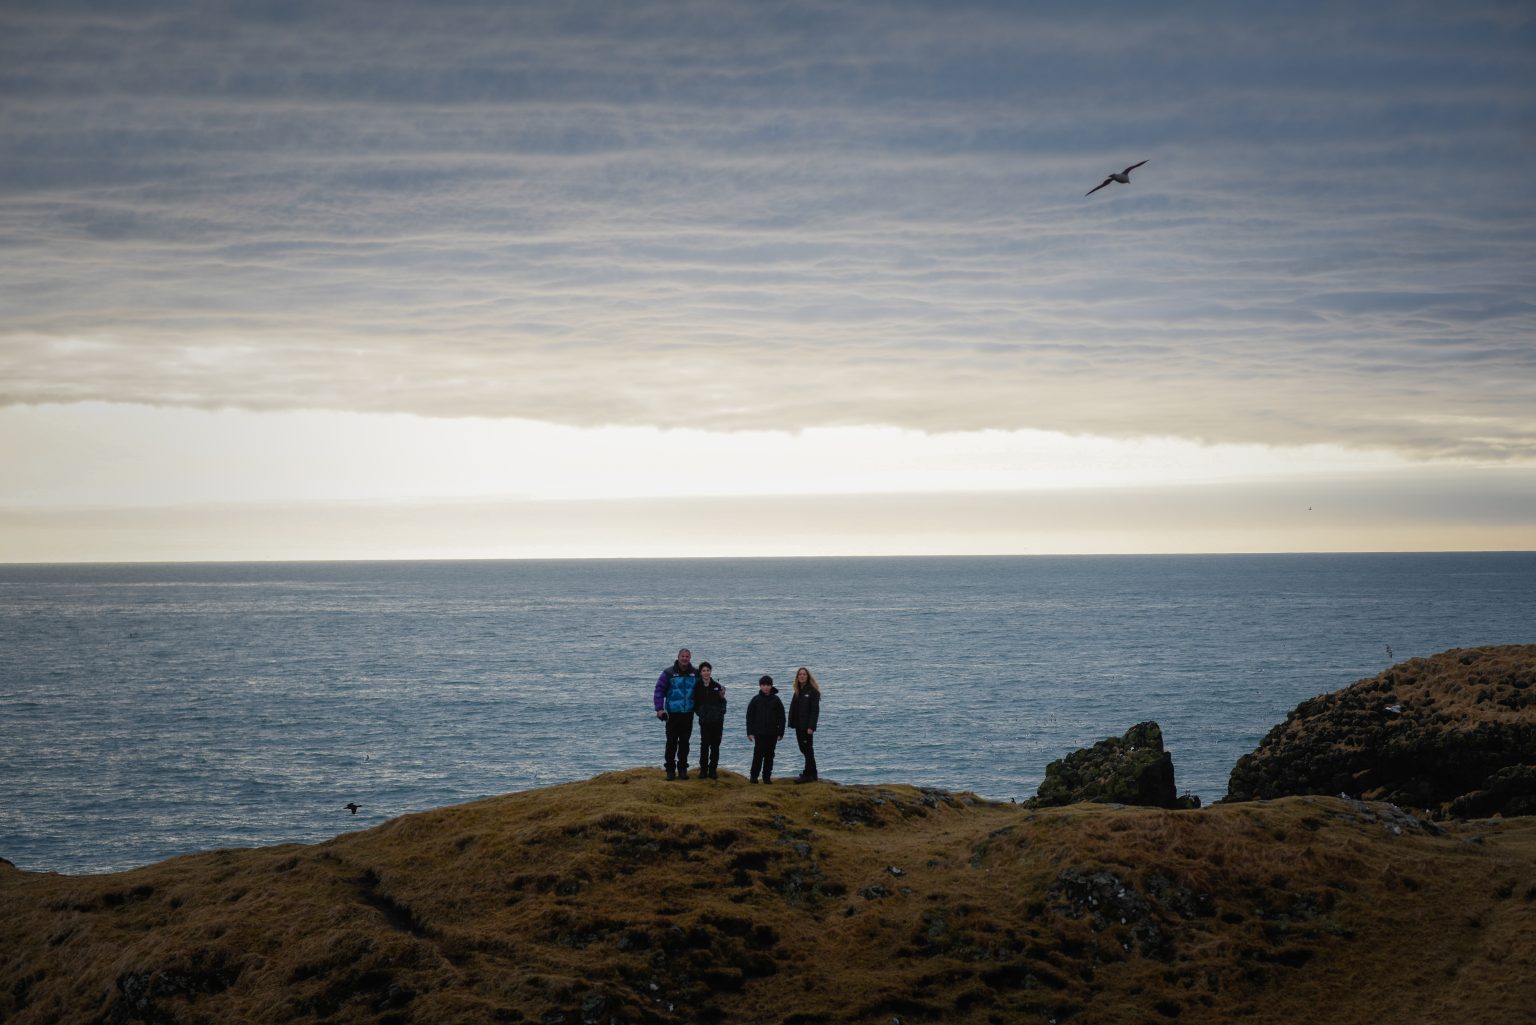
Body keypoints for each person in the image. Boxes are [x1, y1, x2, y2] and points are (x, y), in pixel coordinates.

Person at [654, 647, 698, 780]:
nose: (685, 659)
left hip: (688, 713)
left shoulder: (695, 673)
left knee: (685, 743)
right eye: (682, 656)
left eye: (687, 656)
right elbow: (659, 690)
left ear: (690, 658)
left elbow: (707, 685)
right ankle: (670, 770)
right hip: (672, 714)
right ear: (678, 657)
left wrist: (720, 690)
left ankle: (683, 769)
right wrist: (659, 709)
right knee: (671, 742)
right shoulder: (668, 673)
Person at [745, 675, 785, 784]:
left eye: (768, 685)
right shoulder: (755, 700)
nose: (766, 687)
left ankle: (766, 777)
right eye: (764, 685)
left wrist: (781, 732)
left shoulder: (776, 700)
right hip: (759, 733)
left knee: (769, 756)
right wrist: (749, 732)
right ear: (760, 686)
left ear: (771, 686)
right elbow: (749, 716)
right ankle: (754, 776)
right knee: (758, 755)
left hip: (772, 733)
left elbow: (782, 717)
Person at [693, 661, 727, 780]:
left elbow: (723, 702)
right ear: (700, 672)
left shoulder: (717, 686)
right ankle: (703, 770)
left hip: (717, 722)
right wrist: (701, 713)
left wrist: (720, 712)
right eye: (704, 670)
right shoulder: (697, 686)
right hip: (704, 722)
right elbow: (695, 703)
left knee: (715, 746)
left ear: (710, 672)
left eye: (708, 670)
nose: (706, 672)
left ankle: (713, 770)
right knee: (704, 746)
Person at [787, 666, 821, 783]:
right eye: (800, 674)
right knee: (803, 749)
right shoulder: (797, 691)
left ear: (808, 677)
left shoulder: (813, 692)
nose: (801, 676)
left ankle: (811, 774)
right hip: (798, 725)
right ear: (797, 677)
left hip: (807, 727)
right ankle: (809, 772)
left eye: (804, 674)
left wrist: (811, 727)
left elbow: (815, 711)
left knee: (807, 749)